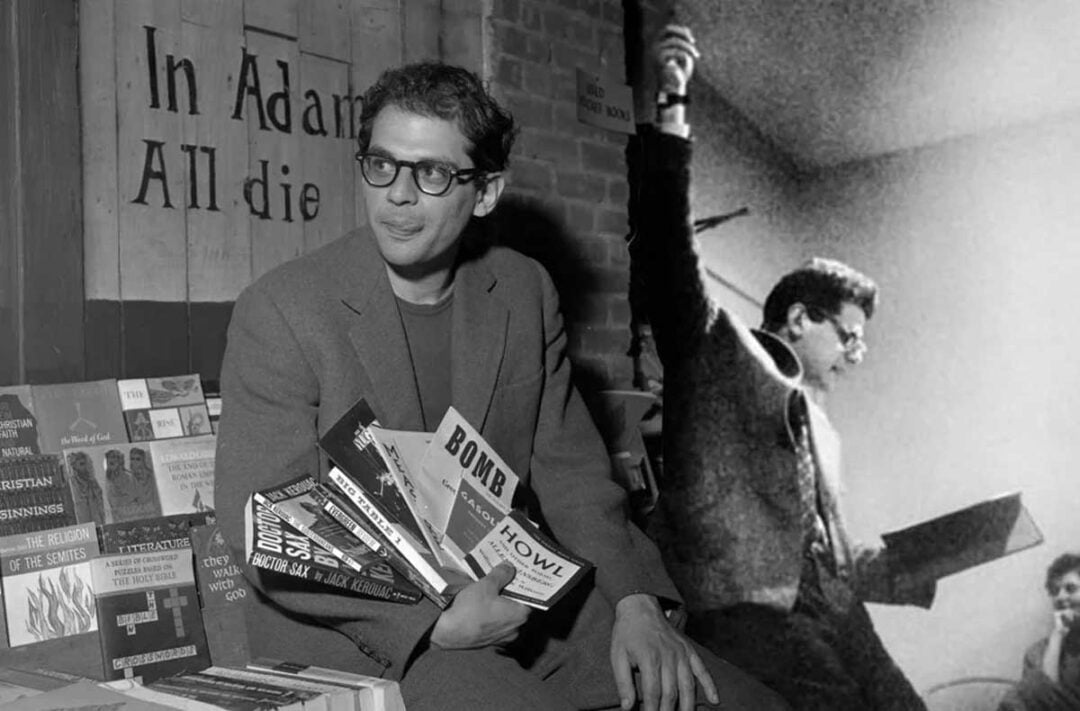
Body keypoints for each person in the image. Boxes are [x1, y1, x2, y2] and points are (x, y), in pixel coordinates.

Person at [214, 60, 788, 711]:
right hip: (376, 631)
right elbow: (264, 517)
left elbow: (570, 466)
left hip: (520, 598)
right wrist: (432, 623)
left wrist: (635, 602)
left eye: (431, 173)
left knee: (748, 702)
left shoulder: (522, 289)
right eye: (381, 164)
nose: (397, 195)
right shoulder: (285, 308)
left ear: (485, 191)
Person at [631, 25, 936, 711]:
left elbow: (829, 557)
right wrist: (672, 106)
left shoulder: (822, 430)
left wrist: (921, 560)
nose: (857, 353)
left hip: (831, 612)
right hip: (749, 615)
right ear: (800, 318)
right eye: (849, 335)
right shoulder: (721, 353)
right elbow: (667, 250)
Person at [999, 553, 1080, 710]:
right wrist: (1057, 636)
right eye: (1055, 591)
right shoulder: (1037, 652)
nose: (1061, 597)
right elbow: (1040, 699)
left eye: (1070, 589)